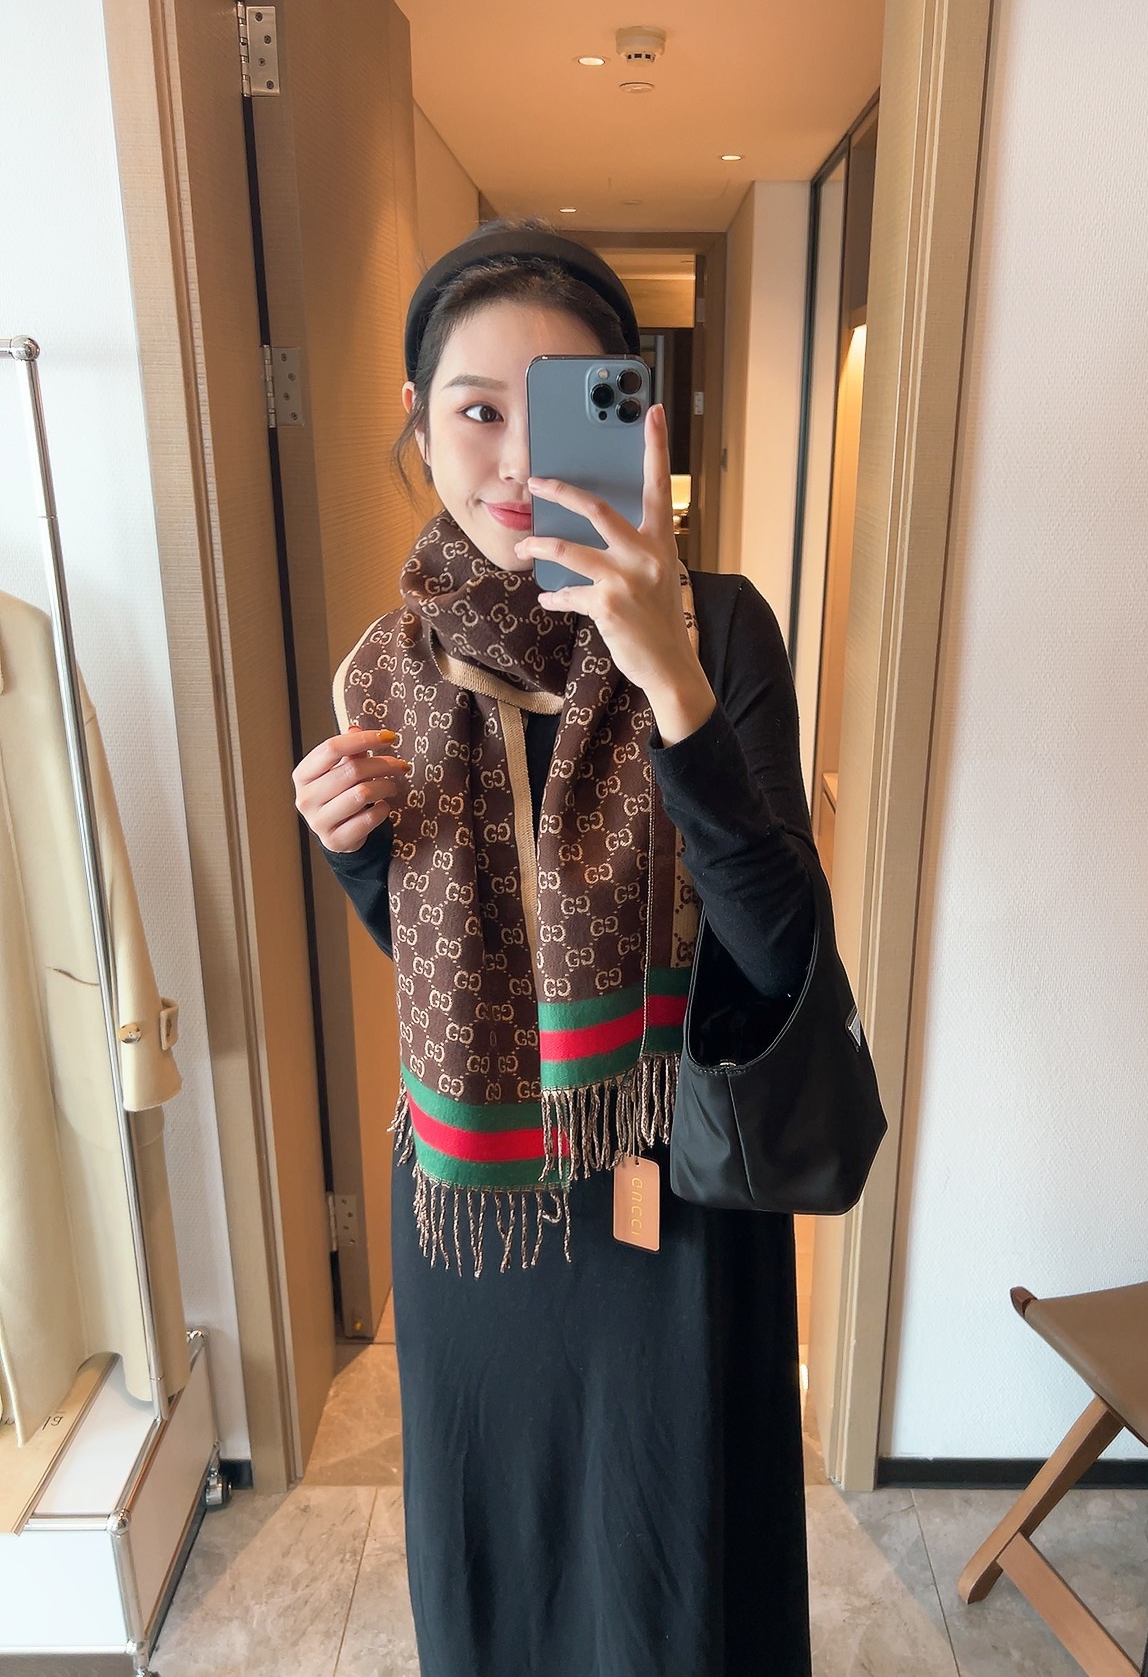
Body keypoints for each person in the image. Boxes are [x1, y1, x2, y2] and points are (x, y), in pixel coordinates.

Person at [292, 219, 822, 1677]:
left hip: (673, 1185)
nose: (518, 462)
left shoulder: (720, 626)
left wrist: (672, 685)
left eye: (565, 408)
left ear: (630, 422)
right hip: (485, 1212)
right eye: (477, 411)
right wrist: (352, 849)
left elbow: (781, 955)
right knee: (505, 1581)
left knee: (672, 1582)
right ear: (418, 419)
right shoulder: (388, 665)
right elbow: (434, 960)